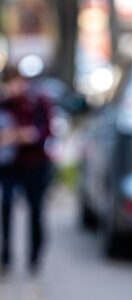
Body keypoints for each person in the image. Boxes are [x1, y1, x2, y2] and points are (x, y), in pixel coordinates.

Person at [0, 68, 52, 274]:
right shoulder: (5, 105)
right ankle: (6, 256)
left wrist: (24, 135)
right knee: (6, 206)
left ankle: (34, 257)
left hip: (36, 163)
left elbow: (44, 131)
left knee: (36, 210)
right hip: (10, 165)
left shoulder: (38, 102)